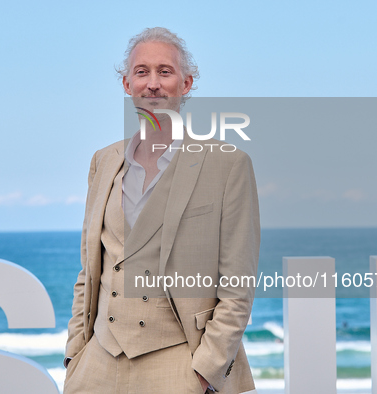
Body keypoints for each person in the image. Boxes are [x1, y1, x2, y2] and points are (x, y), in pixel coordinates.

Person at [64, 27, 260, 394]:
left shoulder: (228, 165)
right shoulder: (103, 162)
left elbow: (238, 285)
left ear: (186, 84)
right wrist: (75, 355)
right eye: (142, 72)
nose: (152, 84)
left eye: (164, 72)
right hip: (97, 366)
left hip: (179, 364)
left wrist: (204, 372)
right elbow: (89, 268)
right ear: (127, 84)